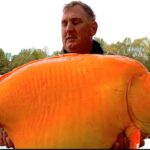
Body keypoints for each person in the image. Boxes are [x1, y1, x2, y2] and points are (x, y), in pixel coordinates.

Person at [0, 1, 146, 149]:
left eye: (76, 22)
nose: (69, 29)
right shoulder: (44, 72)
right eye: (64, 24)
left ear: (93, 28)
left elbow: (138, 136)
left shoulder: (119, 71)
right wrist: (11, 136)